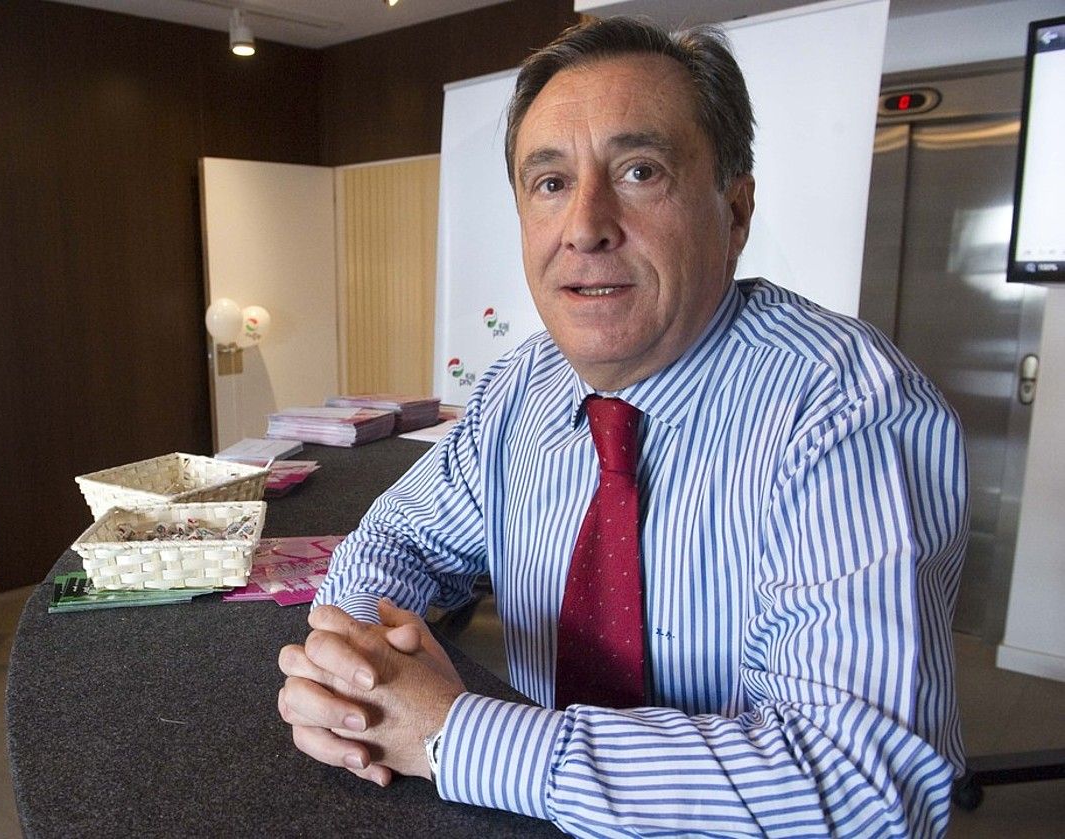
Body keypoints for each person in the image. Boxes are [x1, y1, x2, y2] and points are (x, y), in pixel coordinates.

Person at [277, 17, 965, 837]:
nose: (584, 225)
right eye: (550, 182)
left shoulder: (849, 410)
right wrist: (355, 674)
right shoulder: (522, 385)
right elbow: (400, 539)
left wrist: (454, 734)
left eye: (640, 171)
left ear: (736, 211)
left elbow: (862, 791)